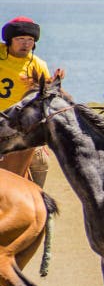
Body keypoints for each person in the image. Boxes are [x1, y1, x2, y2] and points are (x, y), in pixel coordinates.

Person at [0, 16, 55, 187]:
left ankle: (38, 200)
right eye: (20, 39)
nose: (25, 44)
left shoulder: (38, 65)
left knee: (41, 161)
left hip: (22, 127)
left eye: (30, 40)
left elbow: (46, 99)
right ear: (9, 40)